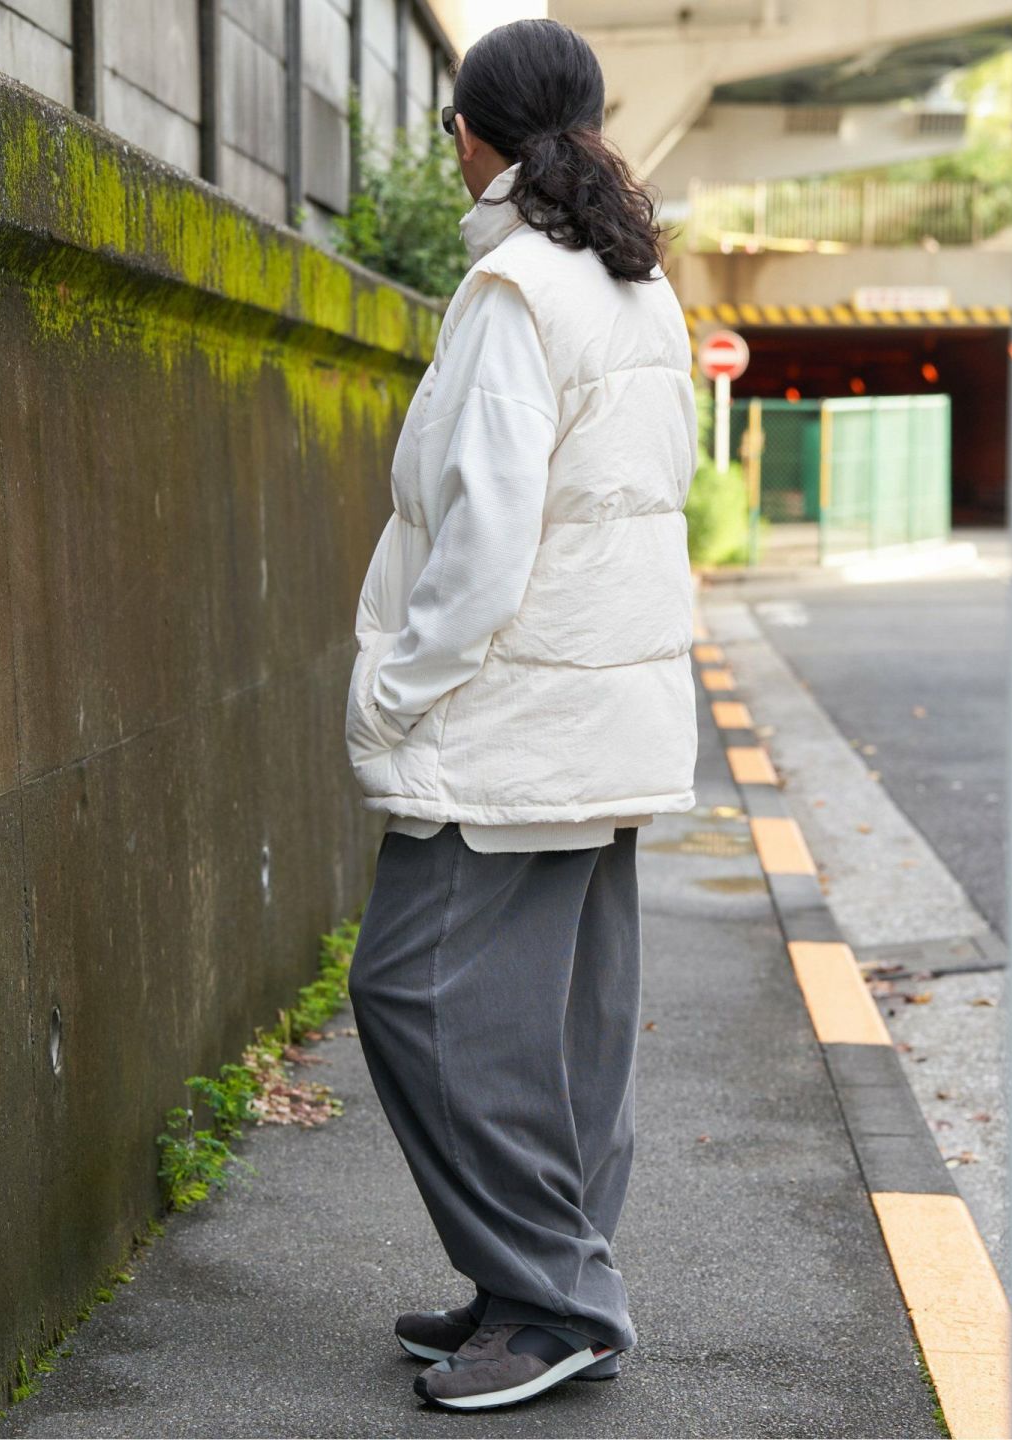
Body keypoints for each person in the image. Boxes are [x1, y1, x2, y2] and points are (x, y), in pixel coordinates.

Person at [343, 16, 698, 1414]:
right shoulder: (635, 285)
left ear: (473, 136)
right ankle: (536, 1285)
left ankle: (553, 1298)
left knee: (410, 991)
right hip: (601, 712)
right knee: (564, 1026)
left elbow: (484, 539)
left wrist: (394, 690)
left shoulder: (514, 290)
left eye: (451, 125)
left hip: (512, 722)